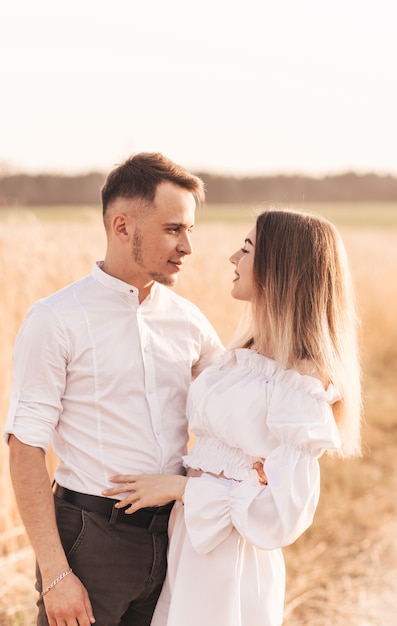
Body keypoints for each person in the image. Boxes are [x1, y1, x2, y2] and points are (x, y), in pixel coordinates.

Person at [103, 208, 362, 626]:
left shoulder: (301, 383)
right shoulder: (245, 356)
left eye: (246, 248)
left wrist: (182, 488)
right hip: (191, 544)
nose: (232, 258)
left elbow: (284, 517)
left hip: (232, 562)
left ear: (281, 268)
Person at [4, 152, 224, 626]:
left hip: (176, 540)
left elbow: (233, 407)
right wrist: (56, 573)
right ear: (122, 227)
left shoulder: (189, 321)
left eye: (189, 230)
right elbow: (24, 449)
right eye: (173, 229)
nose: (187, 246)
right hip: (89, 541)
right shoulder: (56, 318)